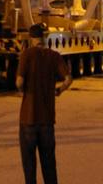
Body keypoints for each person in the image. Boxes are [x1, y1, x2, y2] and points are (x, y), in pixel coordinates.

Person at [16, 23, 72, 184]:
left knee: (29, 165)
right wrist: (59, 90)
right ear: (45, 38)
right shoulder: (54, 56)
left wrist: (21, 91)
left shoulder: (26, 55)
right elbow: (69, 79)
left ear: (30, 38)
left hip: (28, 119)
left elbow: (19, 81)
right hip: (47, 119)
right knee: (49, 164)